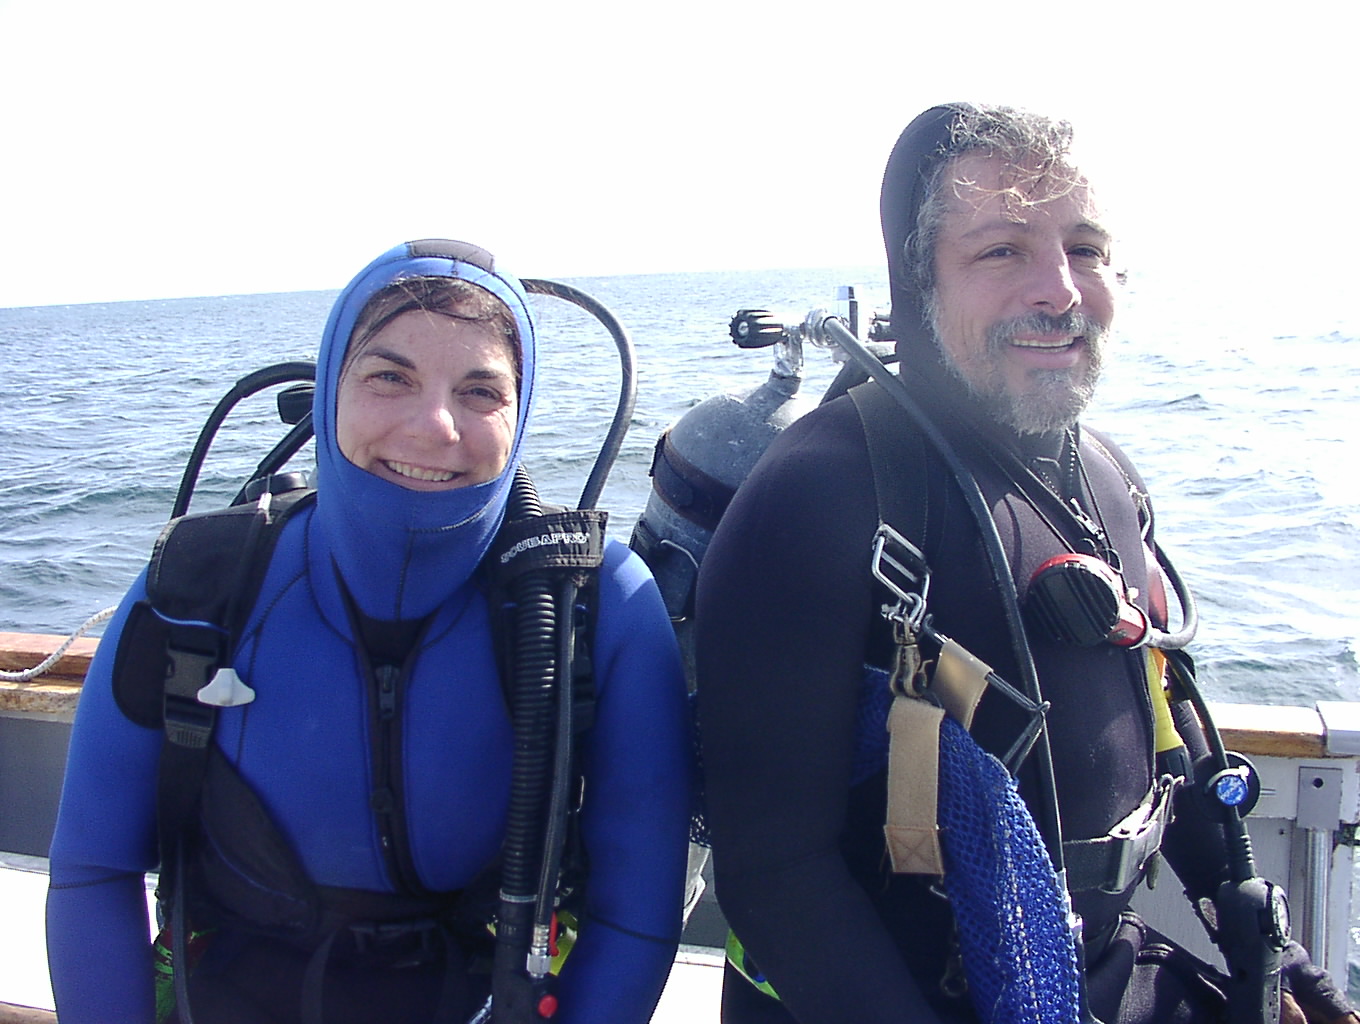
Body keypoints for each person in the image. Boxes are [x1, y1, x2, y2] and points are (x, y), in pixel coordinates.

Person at [695, 104, 1357, 1024]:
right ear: (918, 278)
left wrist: (1290, 971)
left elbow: (1168, 726)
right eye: (1003, 251)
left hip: (1101, 973)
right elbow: (775, 874)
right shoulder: (822, 497)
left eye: (1085, 249)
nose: (1060, 290)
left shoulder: (1106, 476)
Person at [46, 239, 691, 1023]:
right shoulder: (197, 586)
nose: (434, 425)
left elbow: (634, 914)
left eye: (481, 391)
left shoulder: (598, 605)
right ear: (329, 388)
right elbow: (92, 868)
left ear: (520, 416)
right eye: (390, 377)